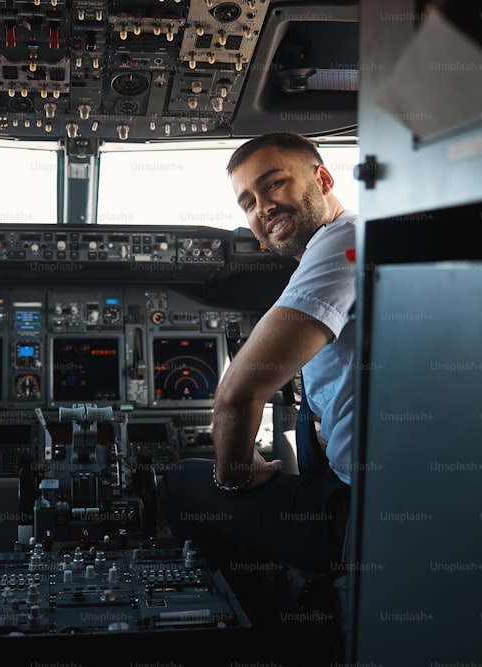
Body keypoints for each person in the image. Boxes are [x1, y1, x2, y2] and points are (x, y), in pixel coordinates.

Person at [156, 132, 357, 609]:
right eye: (248, 201)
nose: (262, 207)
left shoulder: (344, 241)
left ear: (322, 178)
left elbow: (237, 396)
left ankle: (250, 626)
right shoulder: (351, 242)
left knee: (180, 485)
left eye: (274, 185)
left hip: (356, 516)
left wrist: (235, 476)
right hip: (366, 493)